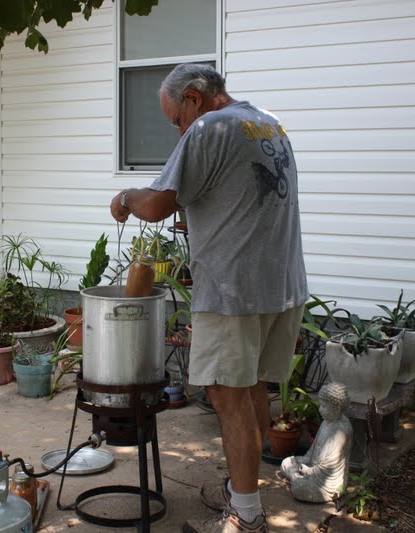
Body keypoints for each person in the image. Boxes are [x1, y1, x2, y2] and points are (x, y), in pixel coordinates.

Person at [109, 63, 308, 533]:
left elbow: (156, 206)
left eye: (176, 118)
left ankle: (245, 516)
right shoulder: (265, 120)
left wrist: (126, 196)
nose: (178, 129)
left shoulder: (207, 128)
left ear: (195, 98)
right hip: (280, 284)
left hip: (234, 290)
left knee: (225, 395)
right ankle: (248, 493)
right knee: (252, 386)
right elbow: (245, 195)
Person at [280, 382, 353, 503]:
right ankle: (296, 477)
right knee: (286, 462)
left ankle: (295, 478)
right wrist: (305, 460)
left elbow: (330, 467)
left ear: (337, 407)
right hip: (312, 468)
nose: (320, 410)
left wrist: (310, 471)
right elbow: (312, 450)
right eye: (321, 405)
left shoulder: (341, 431)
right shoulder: (325, 423)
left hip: (326, 482)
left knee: (298, 487)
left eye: (324, 406)